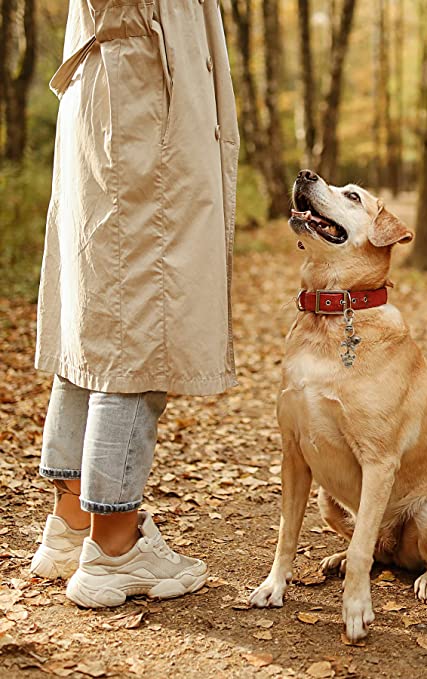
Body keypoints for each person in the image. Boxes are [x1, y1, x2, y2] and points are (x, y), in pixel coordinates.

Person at [29, 0, 239, 608]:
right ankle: (115, 547)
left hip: (115, 82)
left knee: (98, 316)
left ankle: (72, 524)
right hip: (142, 88)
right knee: (142, 320)